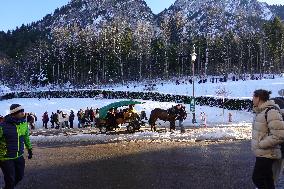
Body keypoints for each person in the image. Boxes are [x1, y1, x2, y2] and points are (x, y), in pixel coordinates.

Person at [251, 89, 284, 189]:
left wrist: (262, 144)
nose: (252, 99)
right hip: (263, 152)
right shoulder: (260, 111)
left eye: (253, 97)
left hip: (267, 152)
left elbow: (280, 134)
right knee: (268, 179)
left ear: (258, 98)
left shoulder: (270, 111)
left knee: (257, 178)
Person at [0, 104, 33, 189]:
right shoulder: (3, 126)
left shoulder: (23, 124)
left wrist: (29, 149)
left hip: (19, 156)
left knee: (19, 177)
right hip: (6, 157)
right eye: (20, 111)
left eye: (23, 110)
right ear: (14, 113)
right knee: (10, 180)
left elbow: (26, 137)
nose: (23, 113)